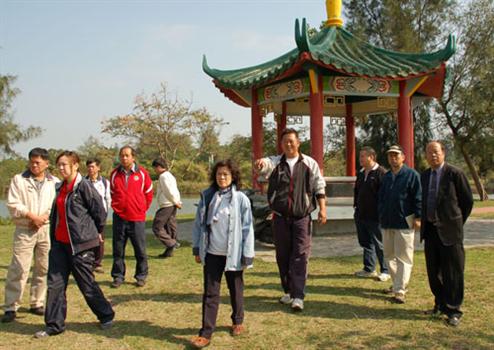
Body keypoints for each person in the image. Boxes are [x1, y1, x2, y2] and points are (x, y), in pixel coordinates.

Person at [34, 151, 114, 338]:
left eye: (65, 164)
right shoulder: (59, 187)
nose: (61, 168)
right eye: (59, 165)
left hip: (81, 245)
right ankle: (54, 325)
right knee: (55, 285)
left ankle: (106, 315)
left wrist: (94, 234)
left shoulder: (83, 187)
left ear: (75, 166)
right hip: (60, 245)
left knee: (86, 284)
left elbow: (100, 213)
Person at [255, 128, 326, 311]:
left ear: (298, 142)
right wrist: (261, 163)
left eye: (291, 141)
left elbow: (319, 186)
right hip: (280, 218)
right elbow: (266, 164)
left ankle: (298, 295)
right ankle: (288, 290)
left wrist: (322, 210)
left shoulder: (310, 163)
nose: (288, 144)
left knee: (300, 255)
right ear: (281, 144)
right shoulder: (277, 163)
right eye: (285, 141)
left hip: (302, 217)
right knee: (282, 255)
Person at [190, 159, 255, 349]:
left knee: (236, 289)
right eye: (219, 174)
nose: (222, 177)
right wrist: (197, 248)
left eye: (226, 174)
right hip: (212, 253)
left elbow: (247, 228)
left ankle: (238, 321)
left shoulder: (241, 199)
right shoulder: (208, 197)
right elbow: (198, 225)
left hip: (233, 254)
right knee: (210, 293)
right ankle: (206, 333)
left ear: (233, 176)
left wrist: (247, 254)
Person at [2, 148, 59, 323]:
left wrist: (43, 218)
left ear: (47, 164)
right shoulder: (19, 180)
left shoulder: (54, 182)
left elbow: (56, 205)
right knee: (19, 268)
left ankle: (37, 302)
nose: (34, 165)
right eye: (32, 162)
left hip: (45, 228)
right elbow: (13, 203)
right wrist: (31, 216)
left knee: (43, 267)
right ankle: (11, 306)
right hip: (25, 228)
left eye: (38, 162)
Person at [420, 141, 473, 327]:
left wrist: (455, 221)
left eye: (436, 152)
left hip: (450, 232)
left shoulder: (455, 174)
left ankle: (454, 310)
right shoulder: (425, 175)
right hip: (431, 231)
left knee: (453, 272)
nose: (432, 155)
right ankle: (440, 304)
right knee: (433, 272)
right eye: (429, 152)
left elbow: (467, 202)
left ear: (443, 153)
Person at [378, 145, 421, 304]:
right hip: (387, 222)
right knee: (389, 256)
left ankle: (400, 290)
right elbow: (381, 197)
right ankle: (397, 284)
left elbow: (418, 197)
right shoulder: (387, 176)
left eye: (396, 155)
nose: (393, 158)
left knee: (403, 257)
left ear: (403, 157)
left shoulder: (411, 175)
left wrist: (418, 217)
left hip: (404, 222)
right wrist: (381, 213)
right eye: (390, 156)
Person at [110, 145, 153, 288]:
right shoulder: (115, 174)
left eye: (127, 155)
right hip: (119, 217)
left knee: (140, 249)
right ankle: (118, 276)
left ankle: (141, 276)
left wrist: (141, 209)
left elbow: (148, 193)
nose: (124, 158)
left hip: (137, 218)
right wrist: (117, 207)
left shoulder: (142, 174)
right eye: (122, 155)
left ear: (133, 157)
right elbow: (111, 193)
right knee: (118, 249)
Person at [353, 146, 389, 282]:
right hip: (361, 214)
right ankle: (369, 268)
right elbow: (357, 191)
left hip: (376, 216)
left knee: (379, 243)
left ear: (372, 157)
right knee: (366, 242)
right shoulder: (361, 173)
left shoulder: (381, 173)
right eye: (360, 156)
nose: (360, 159)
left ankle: (385, 270)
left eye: (363, 156)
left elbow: (385, 196)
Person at [151, 158, 182, 258]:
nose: (154, 170)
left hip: (167, 204)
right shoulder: (170, 175)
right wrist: (177, 201)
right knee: (170, 227)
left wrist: (175, 201)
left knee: (157, 227)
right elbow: (175, 190)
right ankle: (169, 251)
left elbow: (168, 191)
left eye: (155, 168)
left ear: (159, 167)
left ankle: (172, 243)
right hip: (172, 204)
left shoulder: (163, 177)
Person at [86, 158, 111, 273]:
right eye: (89, 167)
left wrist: (105, 212)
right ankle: (87, 262)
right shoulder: (83, 182)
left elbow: (107, 199)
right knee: (87, 239)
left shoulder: (105, 182)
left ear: (98, 168)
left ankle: (97, 263)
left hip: (100, 215)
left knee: (100, 239)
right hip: (87, 215)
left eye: (93, 166)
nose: (91, 169)